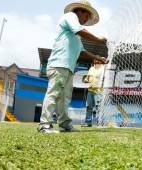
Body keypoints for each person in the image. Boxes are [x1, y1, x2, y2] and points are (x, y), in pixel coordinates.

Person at [38, 0, 108, 133]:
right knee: (54, 92)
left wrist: (97, 58)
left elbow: (81, 51)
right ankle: (44, 124)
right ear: (80, 11)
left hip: (69, 67)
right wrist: (98, 39)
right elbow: (81, 30)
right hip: (59, 64)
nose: (86, 20)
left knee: (65, 97)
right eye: (87, 16)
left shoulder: (76, 35)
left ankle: (64, 124)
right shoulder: (70, 17)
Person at [83, 59, 105, 126]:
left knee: (98, 107)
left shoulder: (103, 68)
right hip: (90, 90)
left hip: (98, 91)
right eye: (95, 60)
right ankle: (88, 122)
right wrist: (85, 80)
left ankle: (100, 122)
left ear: (101, 62)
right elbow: (87, 78)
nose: (96, 61)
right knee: (89, 107)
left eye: (98, 60)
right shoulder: (91, 68)